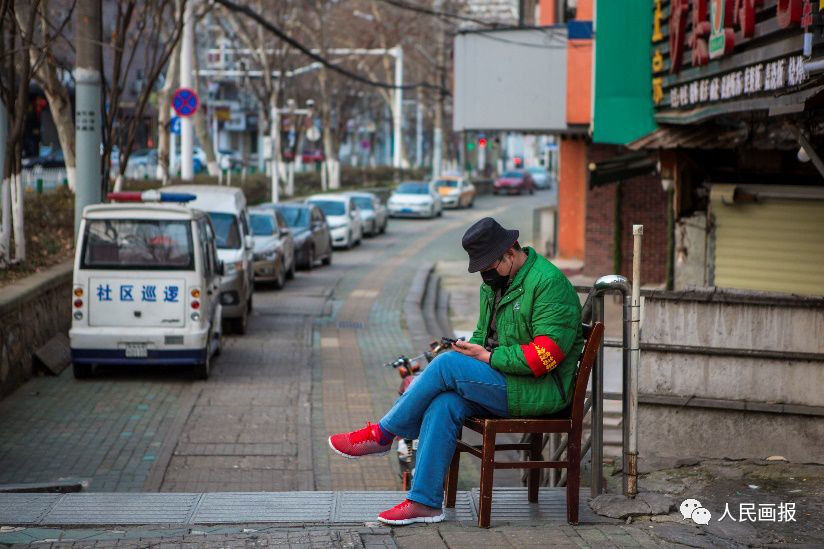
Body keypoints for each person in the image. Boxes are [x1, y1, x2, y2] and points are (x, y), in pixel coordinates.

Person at [328, 217, 583, 525]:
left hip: (540, 389)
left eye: (489, 267)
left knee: (446, 365)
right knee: (444, 401)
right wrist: (472, 350)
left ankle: (383, 434)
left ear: (509, 253)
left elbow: (545, 357)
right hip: (507, 380)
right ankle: (424, 502)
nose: (485, 275)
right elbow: (482, 336)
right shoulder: (495, 284)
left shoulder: (548, 283)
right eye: (481, 270)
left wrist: (488, 357)